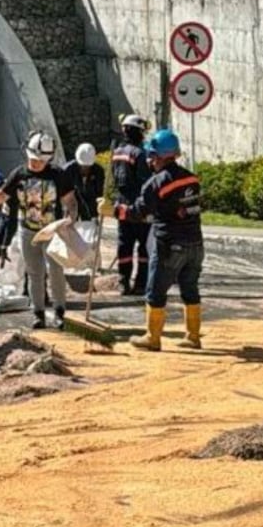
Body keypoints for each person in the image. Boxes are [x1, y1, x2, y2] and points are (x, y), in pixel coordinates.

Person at [99, 128, 204, 351]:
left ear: (156, 156)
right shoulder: (191, 178)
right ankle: (193, 336)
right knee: (190, 289)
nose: (149, 160)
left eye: (151, 155)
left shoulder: (156, 184)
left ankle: (152, 337)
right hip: (195, 244)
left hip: (169, 243)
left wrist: (113, 210)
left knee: (155, 292)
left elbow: (138, 213)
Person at [0, 130, 77, 329]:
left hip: (53, 231)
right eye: (34, 160)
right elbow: (2, 196)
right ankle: (38, 313)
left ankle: (59, 311)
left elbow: (70, 201)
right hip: (27, 231)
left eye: (41, 162)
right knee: (34, 273)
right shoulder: (19, 174)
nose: (36, 164)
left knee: (55, 270)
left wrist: (71, 218)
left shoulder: (58, 175)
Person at [111, 114, 153, 295]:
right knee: (144, 247)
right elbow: (146, 182)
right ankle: (141, 283)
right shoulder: (139, 154)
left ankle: (123, 281)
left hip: (121, 206)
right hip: (139, 207)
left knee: (124, 245)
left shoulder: (116, 153)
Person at [65, 142, 105, 222]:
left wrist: (95, 214)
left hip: (90, 208)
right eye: (82, 166)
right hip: (71, 206)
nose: (84, 169)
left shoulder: (98, 171)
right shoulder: (67, 170)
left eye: (87, 167)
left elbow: (99, 193)